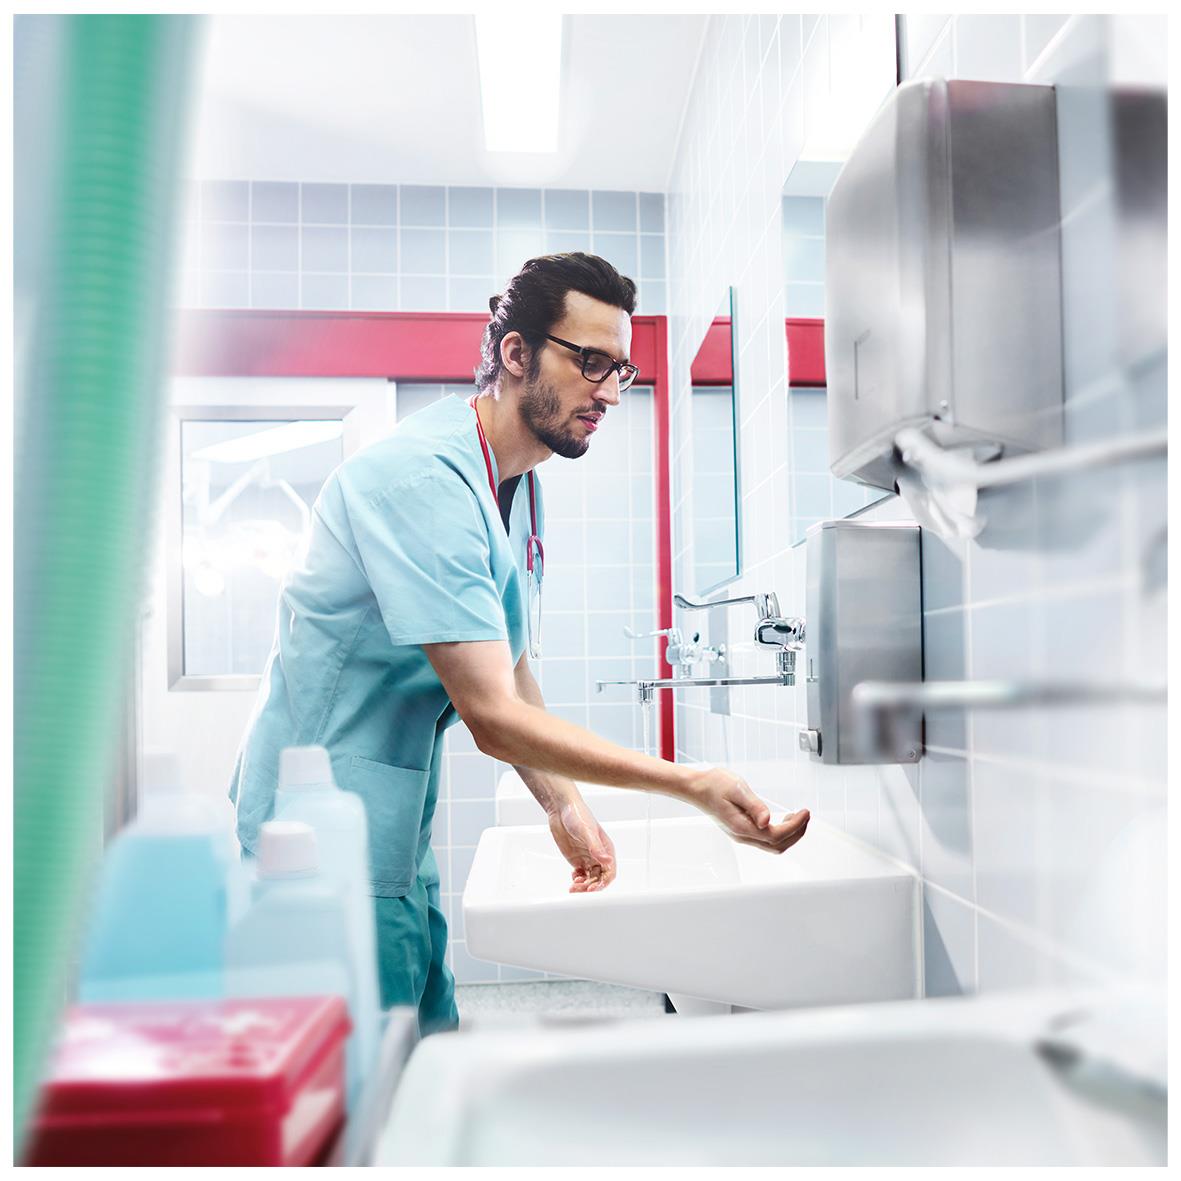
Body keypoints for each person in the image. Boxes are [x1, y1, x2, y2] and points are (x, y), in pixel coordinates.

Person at [228, 252, 810, 1036]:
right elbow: (491, 714)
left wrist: (562, 804)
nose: (608, 392)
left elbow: (511, 662)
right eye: (591, 362)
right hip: (318, 830)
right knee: (358, 1094)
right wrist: (690, 782)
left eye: (622, 369)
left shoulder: (516, 481)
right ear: (514, 353)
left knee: (424, 1045)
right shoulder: (424, 482)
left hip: (386, 819)